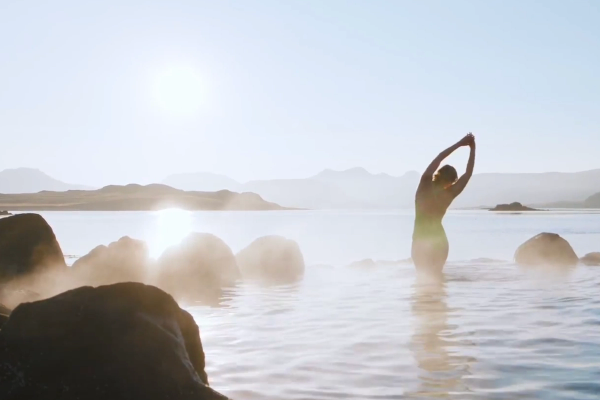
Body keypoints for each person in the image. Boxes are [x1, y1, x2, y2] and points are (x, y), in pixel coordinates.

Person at [412, 133, 476, 274]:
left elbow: (440, 157)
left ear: (438, 174)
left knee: (422, 280)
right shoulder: (449, 194)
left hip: (420, 239)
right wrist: (472, 148)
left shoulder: (424, 185)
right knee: (437, 278)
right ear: (451, 181)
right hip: (438, 240)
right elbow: (468, 173)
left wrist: (460, 144)